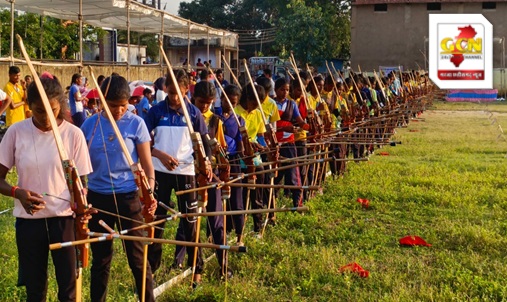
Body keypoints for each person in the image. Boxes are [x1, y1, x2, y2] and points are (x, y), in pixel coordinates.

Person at [0, 72, 93, 301]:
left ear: (60, 104)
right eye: (39, 111)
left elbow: (82, 183)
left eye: (52, 110)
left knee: (68, 289)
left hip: (64, 221)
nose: (46, 117)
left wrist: (82, 205)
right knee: (35, 290)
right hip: (29, 223)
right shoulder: (16, 132)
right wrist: (17, 192)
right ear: (29, 106)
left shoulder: (73, 135)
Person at [81, 75, 156, 302]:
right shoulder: (89, 125)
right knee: (101, 260)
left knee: (137, 258)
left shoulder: (136, 123)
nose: (119, 110)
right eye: (113, 106)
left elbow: (147, 165)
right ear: (102, 101)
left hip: (128, 197)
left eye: (124, 105)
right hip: (97, 198)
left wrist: (149, 192)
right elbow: (78, 165)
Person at [146, 70, 212, 286]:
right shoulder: (156, 112)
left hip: (186, 173)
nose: (174, 97)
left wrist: (207, 162)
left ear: (186, 90)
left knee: (191, 222)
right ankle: (152, 272)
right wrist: (159, 154)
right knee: (157, 221)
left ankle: (197, 271)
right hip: (160, 173)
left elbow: (204, 143)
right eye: (171, 92)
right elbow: (144, 143)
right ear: (166, 88)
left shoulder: (193, 113)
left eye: (178, 93)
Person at [191, 80, 232, 279]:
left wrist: (219, 162)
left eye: (208, 102)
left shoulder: (215, 121)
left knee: (216, 221)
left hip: (211, 174)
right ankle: (193, 268)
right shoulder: (187, 116)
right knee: (191, 223)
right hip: (191, 175)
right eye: (201, 102)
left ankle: (223, 265)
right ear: (193, 98)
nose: (204, 106)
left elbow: (221, 149)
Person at [274, 78, 308, 207]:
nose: (284, 92)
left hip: (288, 142)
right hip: (274, 143)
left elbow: (299, 120)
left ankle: (297, 204)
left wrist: (308, 126)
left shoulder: (292, 104)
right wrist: (282, 128)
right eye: (282, 89)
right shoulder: (271, 103)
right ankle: (272, 205)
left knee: (293, 173)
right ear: (276, 90)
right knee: (275, 176)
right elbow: (267, 125)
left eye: (287, 90)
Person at [220, 84, 245, 244]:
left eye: (234, 103)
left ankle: (239, 235)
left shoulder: (239, 119)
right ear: (221, 98)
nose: (230, 105)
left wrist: (246, 156)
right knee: (217, 200)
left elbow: (240, 142)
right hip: (218, 162)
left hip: (234, 160)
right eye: (227, 100)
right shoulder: (213, 116)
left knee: (236, 199)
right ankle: (216, 233)